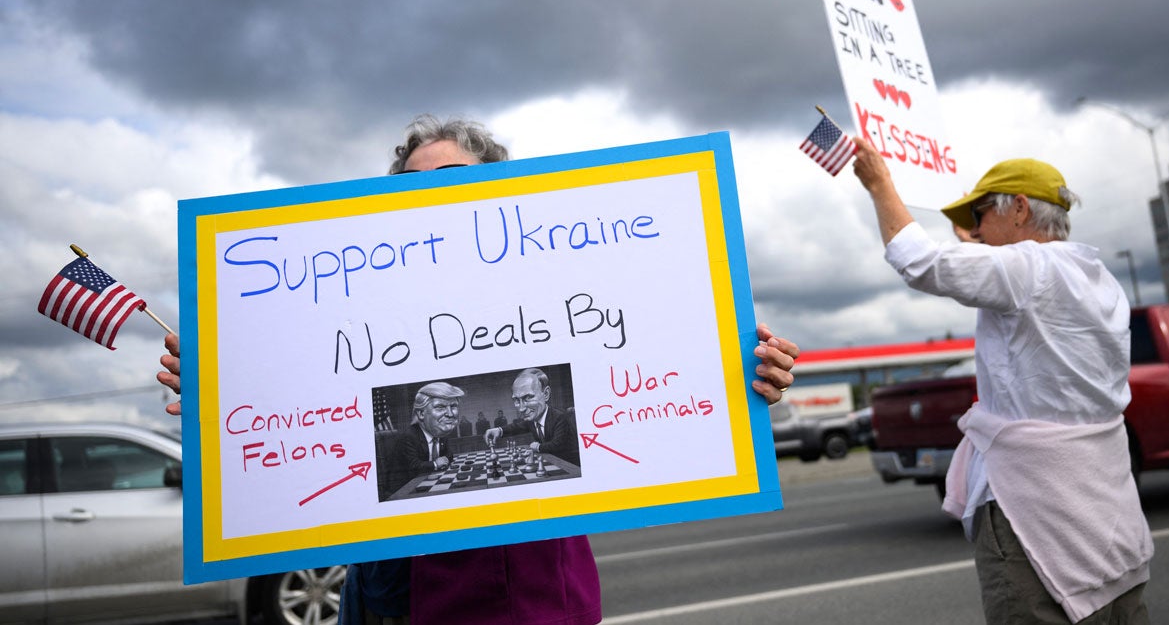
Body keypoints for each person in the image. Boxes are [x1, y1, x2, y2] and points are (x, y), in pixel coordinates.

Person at [157, 115, 800, 625]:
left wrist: (737, 376)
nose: (433, 193)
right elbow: (312, 427)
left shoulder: (567, 280)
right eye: (410, 183)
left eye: (455, 175)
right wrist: (229, 389)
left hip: (532, 600)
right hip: (392, 599)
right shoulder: (359, 306)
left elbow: (648, 380)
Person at [850, 137, 1152, 623]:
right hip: (1106, 505)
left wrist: (879, 183)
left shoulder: (1028, 269)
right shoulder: (1094, 275)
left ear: (1018, 208)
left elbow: (920, 262)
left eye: (980, 216)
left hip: (1036, 509)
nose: (974, 230)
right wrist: (975, 238)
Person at [485, 367, 579, 465]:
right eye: (516, 400)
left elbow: (557, 445)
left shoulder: (560, 418)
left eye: (528, 397)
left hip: (570, 466)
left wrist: (537, 447)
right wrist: (499, 430)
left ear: (546, 394)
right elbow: (517, 427)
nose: (521, 409)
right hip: (552, 463)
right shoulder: (533, 420)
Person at [392, 382, 463, 481]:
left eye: (453, 406)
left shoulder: (440, 432)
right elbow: (413, 468)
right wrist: (435, 464)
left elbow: (449, 454)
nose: (450, 414)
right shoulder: (408, 437)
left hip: (431, 481)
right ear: (421, 413)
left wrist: (444, 459)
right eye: (440, 407)